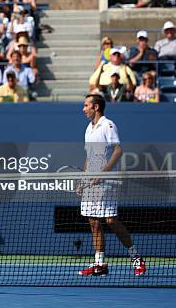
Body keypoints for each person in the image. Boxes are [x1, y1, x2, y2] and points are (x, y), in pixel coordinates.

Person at [78, 94, 146, 277]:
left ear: (96, 107)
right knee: (93, 222)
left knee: (110, 220)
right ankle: (100, 264)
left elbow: (118, 150)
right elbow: (88, 156)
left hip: (106, 181)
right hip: (91, 182)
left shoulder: (108, 125)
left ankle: (136, 258)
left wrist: (103, 173)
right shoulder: (88, 128)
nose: (83, 109)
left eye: (86, 106)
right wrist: (83, 179)